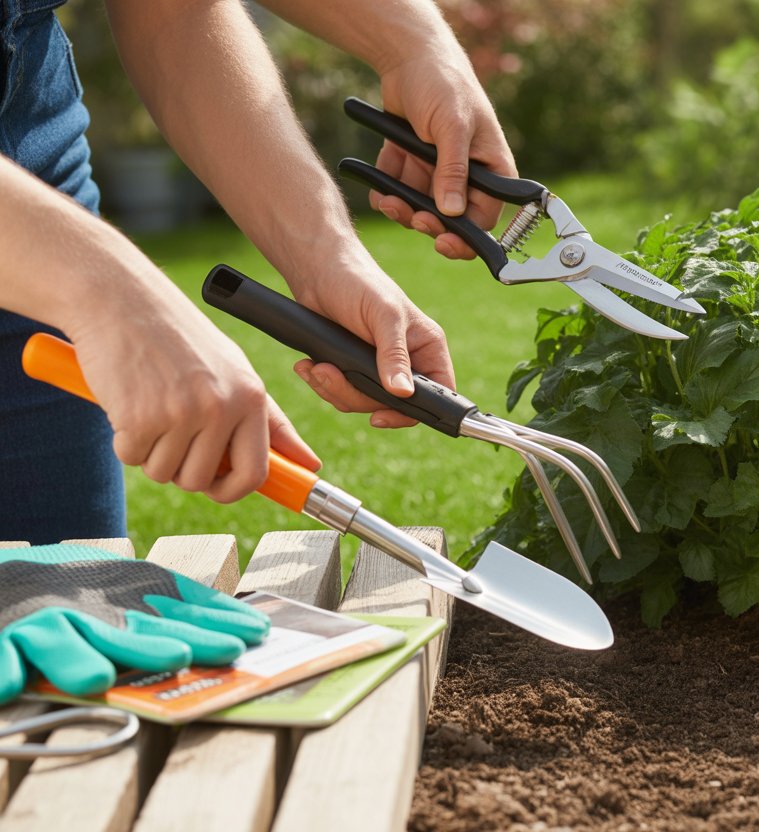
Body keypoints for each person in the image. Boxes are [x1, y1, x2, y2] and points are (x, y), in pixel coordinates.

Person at [0, 0, 517, 544]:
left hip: (34, 145)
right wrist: (110, 293)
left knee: (63, 582)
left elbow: (173, 13)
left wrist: (323, 256)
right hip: (62, 259)